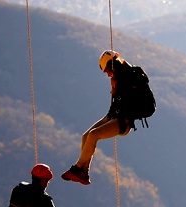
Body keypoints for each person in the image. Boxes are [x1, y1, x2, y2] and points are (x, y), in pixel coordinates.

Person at [62, 50, 150, 185]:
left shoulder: (133, 74)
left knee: (93, 135)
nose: (108, 74)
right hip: (113, 116)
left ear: (114, 65)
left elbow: (142, 90)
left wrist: (119, 85)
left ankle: (78, 168)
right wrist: (115, 88)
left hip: (124, 121)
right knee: (85, 137)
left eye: (108, 70)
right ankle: (83, 172)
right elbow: (117, 102)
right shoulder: (118, 79)